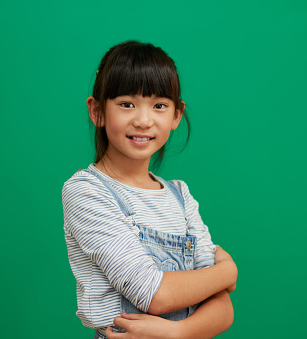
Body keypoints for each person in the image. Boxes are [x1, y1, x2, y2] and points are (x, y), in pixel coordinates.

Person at [63, 41, 237, 339]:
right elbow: (153, 294)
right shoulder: (86, 191)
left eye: (159, 106)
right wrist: (228, 272)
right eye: (126, 104)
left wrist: (179, 332)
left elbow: (223, 310)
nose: (143, 120)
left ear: (175, 116)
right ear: (97, 111)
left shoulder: (180, 196)